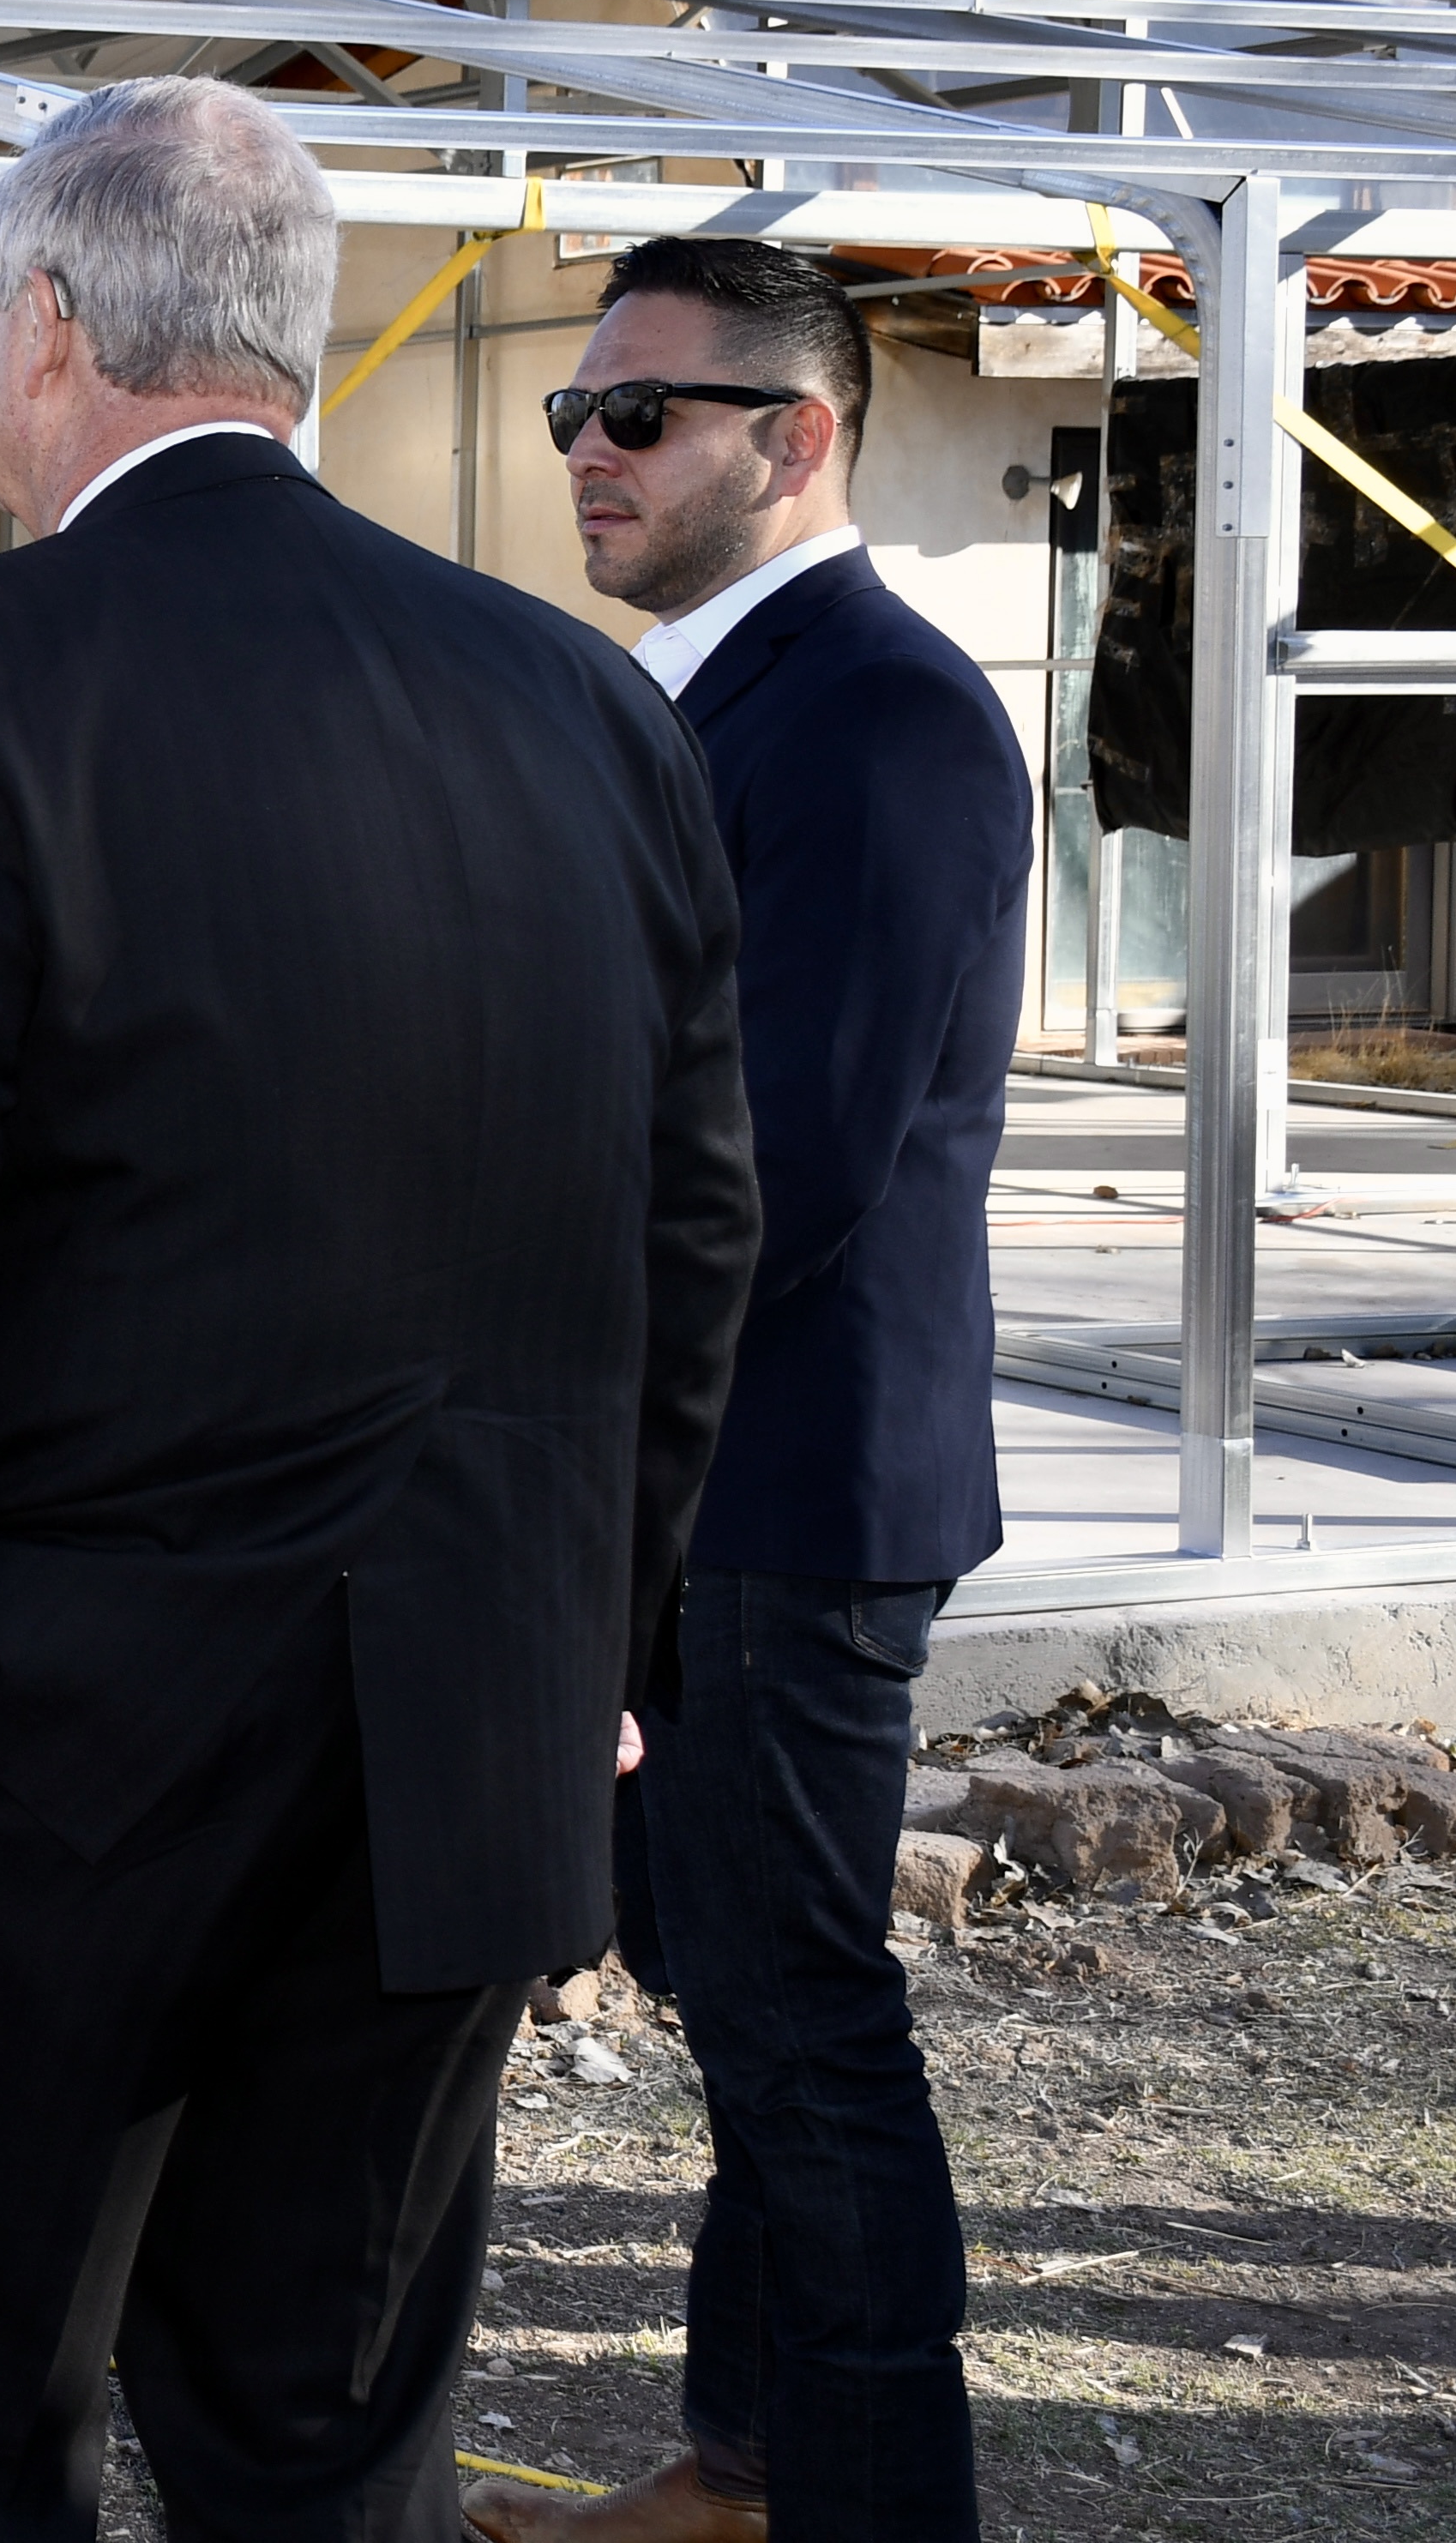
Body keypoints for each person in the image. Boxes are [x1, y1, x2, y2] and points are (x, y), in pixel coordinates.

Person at [0, 76, 762, 2543]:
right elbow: (697, 1228)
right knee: (331, 2436)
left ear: (51, 325)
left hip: (29, 1742)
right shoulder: (591, 704)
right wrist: (595, 1643)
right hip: (453, 1733)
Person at [462, 242, 1026, 2543]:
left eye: (638, 418)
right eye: (574, 419)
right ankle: (743, 2473)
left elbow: (771, 1173)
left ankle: (870, 2508)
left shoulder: (877, 717)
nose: (586, 456)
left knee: (805, 2037)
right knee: (745, 2017)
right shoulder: (711, 702)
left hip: (788, 1490)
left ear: (790, 442)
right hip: (706, 1484)